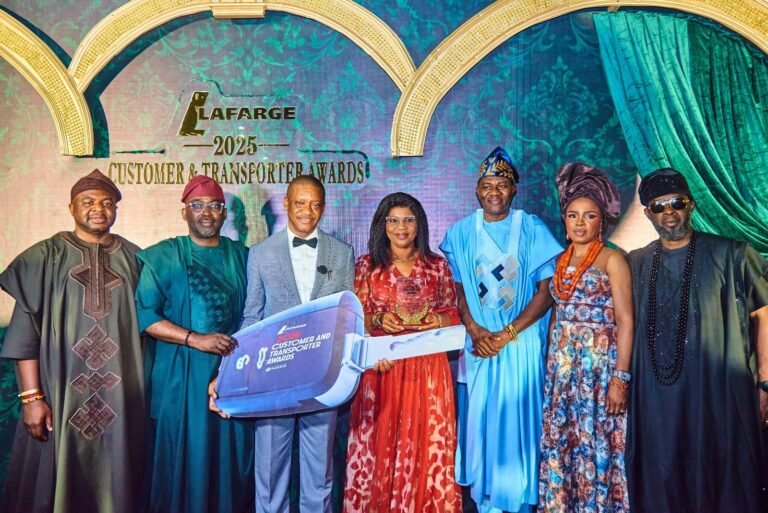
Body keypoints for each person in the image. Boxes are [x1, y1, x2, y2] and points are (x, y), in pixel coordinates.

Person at [0, 170, 145, 513]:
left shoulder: (136, 259)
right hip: (60, 394)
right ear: (71, 207)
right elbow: (25, 334)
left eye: (107, 203)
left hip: (123, 398)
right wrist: (32, 398)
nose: (98, 209)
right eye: (88, 202)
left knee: (120, 477)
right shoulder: (46, 257)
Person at [627, 168, 768, 513]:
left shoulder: (733, 254)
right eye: (659, 206)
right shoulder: (635, 264)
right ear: (647, 213)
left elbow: (764, 315)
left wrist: (765, 382)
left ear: (691, 205)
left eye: (677, 202)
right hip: (657, 402)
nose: (669, 212)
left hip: (718, 395)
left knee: (725, 477)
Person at [440, 147, 563, 513]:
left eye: (502, 185)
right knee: (482, 429)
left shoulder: (532, 228)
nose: (494, 192)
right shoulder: (461, 232)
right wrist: (475, 329)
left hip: (520, 344)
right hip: (479, 346)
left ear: (514, 190)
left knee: (518, 427)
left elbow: (547, 292)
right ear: (477, 190)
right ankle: (488, 505)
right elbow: (458, 290)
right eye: (487, 185)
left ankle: (519, 505)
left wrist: (508, 333)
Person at [222, 174, 354, 513]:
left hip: (323, 378)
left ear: (323, 207)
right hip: (273, 379)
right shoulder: (261, 253)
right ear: (286, 204)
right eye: (300, 203)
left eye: (315, 204)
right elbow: (252, 317)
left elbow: (347, 318)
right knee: (269, 474)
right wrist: (233, 373)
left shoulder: (342, 253)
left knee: (319, 474)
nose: (307, 211)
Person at [135, 175, 254, 513]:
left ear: (224, 213)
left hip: (230, 369)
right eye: (197, 206)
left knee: (228, 458)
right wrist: (194, 339)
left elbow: (257, 312)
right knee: (180, 457)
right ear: (184, 212)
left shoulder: (243, 256)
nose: (206, 213)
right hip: (179, 375)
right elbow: (145, 315)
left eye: (214, 206)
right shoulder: (163, 257)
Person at [343, 192, 463, 513]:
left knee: (426, 445)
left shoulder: (436, 266)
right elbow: (354, 317)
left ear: (419, 224)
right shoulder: (367, 266)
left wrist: (438, 320)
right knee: (382, 444)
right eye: (393, 220)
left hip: (428, 370)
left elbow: (453, 311)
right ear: (382, 225)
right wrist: (378, 320)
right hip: (383, 367)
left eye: (408, 220)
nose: (401, 227)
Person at [538, 162, 632, 512]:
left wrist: (620, 378)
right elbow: (556, 315)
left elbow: (626, 321)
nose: (580, 223)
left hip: (599, 373)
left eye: (589, 216)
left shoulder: (612, 260)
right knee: (564, 443)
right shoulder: (559, 263)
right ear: (564, 221)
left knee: (598, 442)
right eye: (573, 215)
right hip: (563, 373)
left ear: (601, 222)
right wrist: (551, 369)